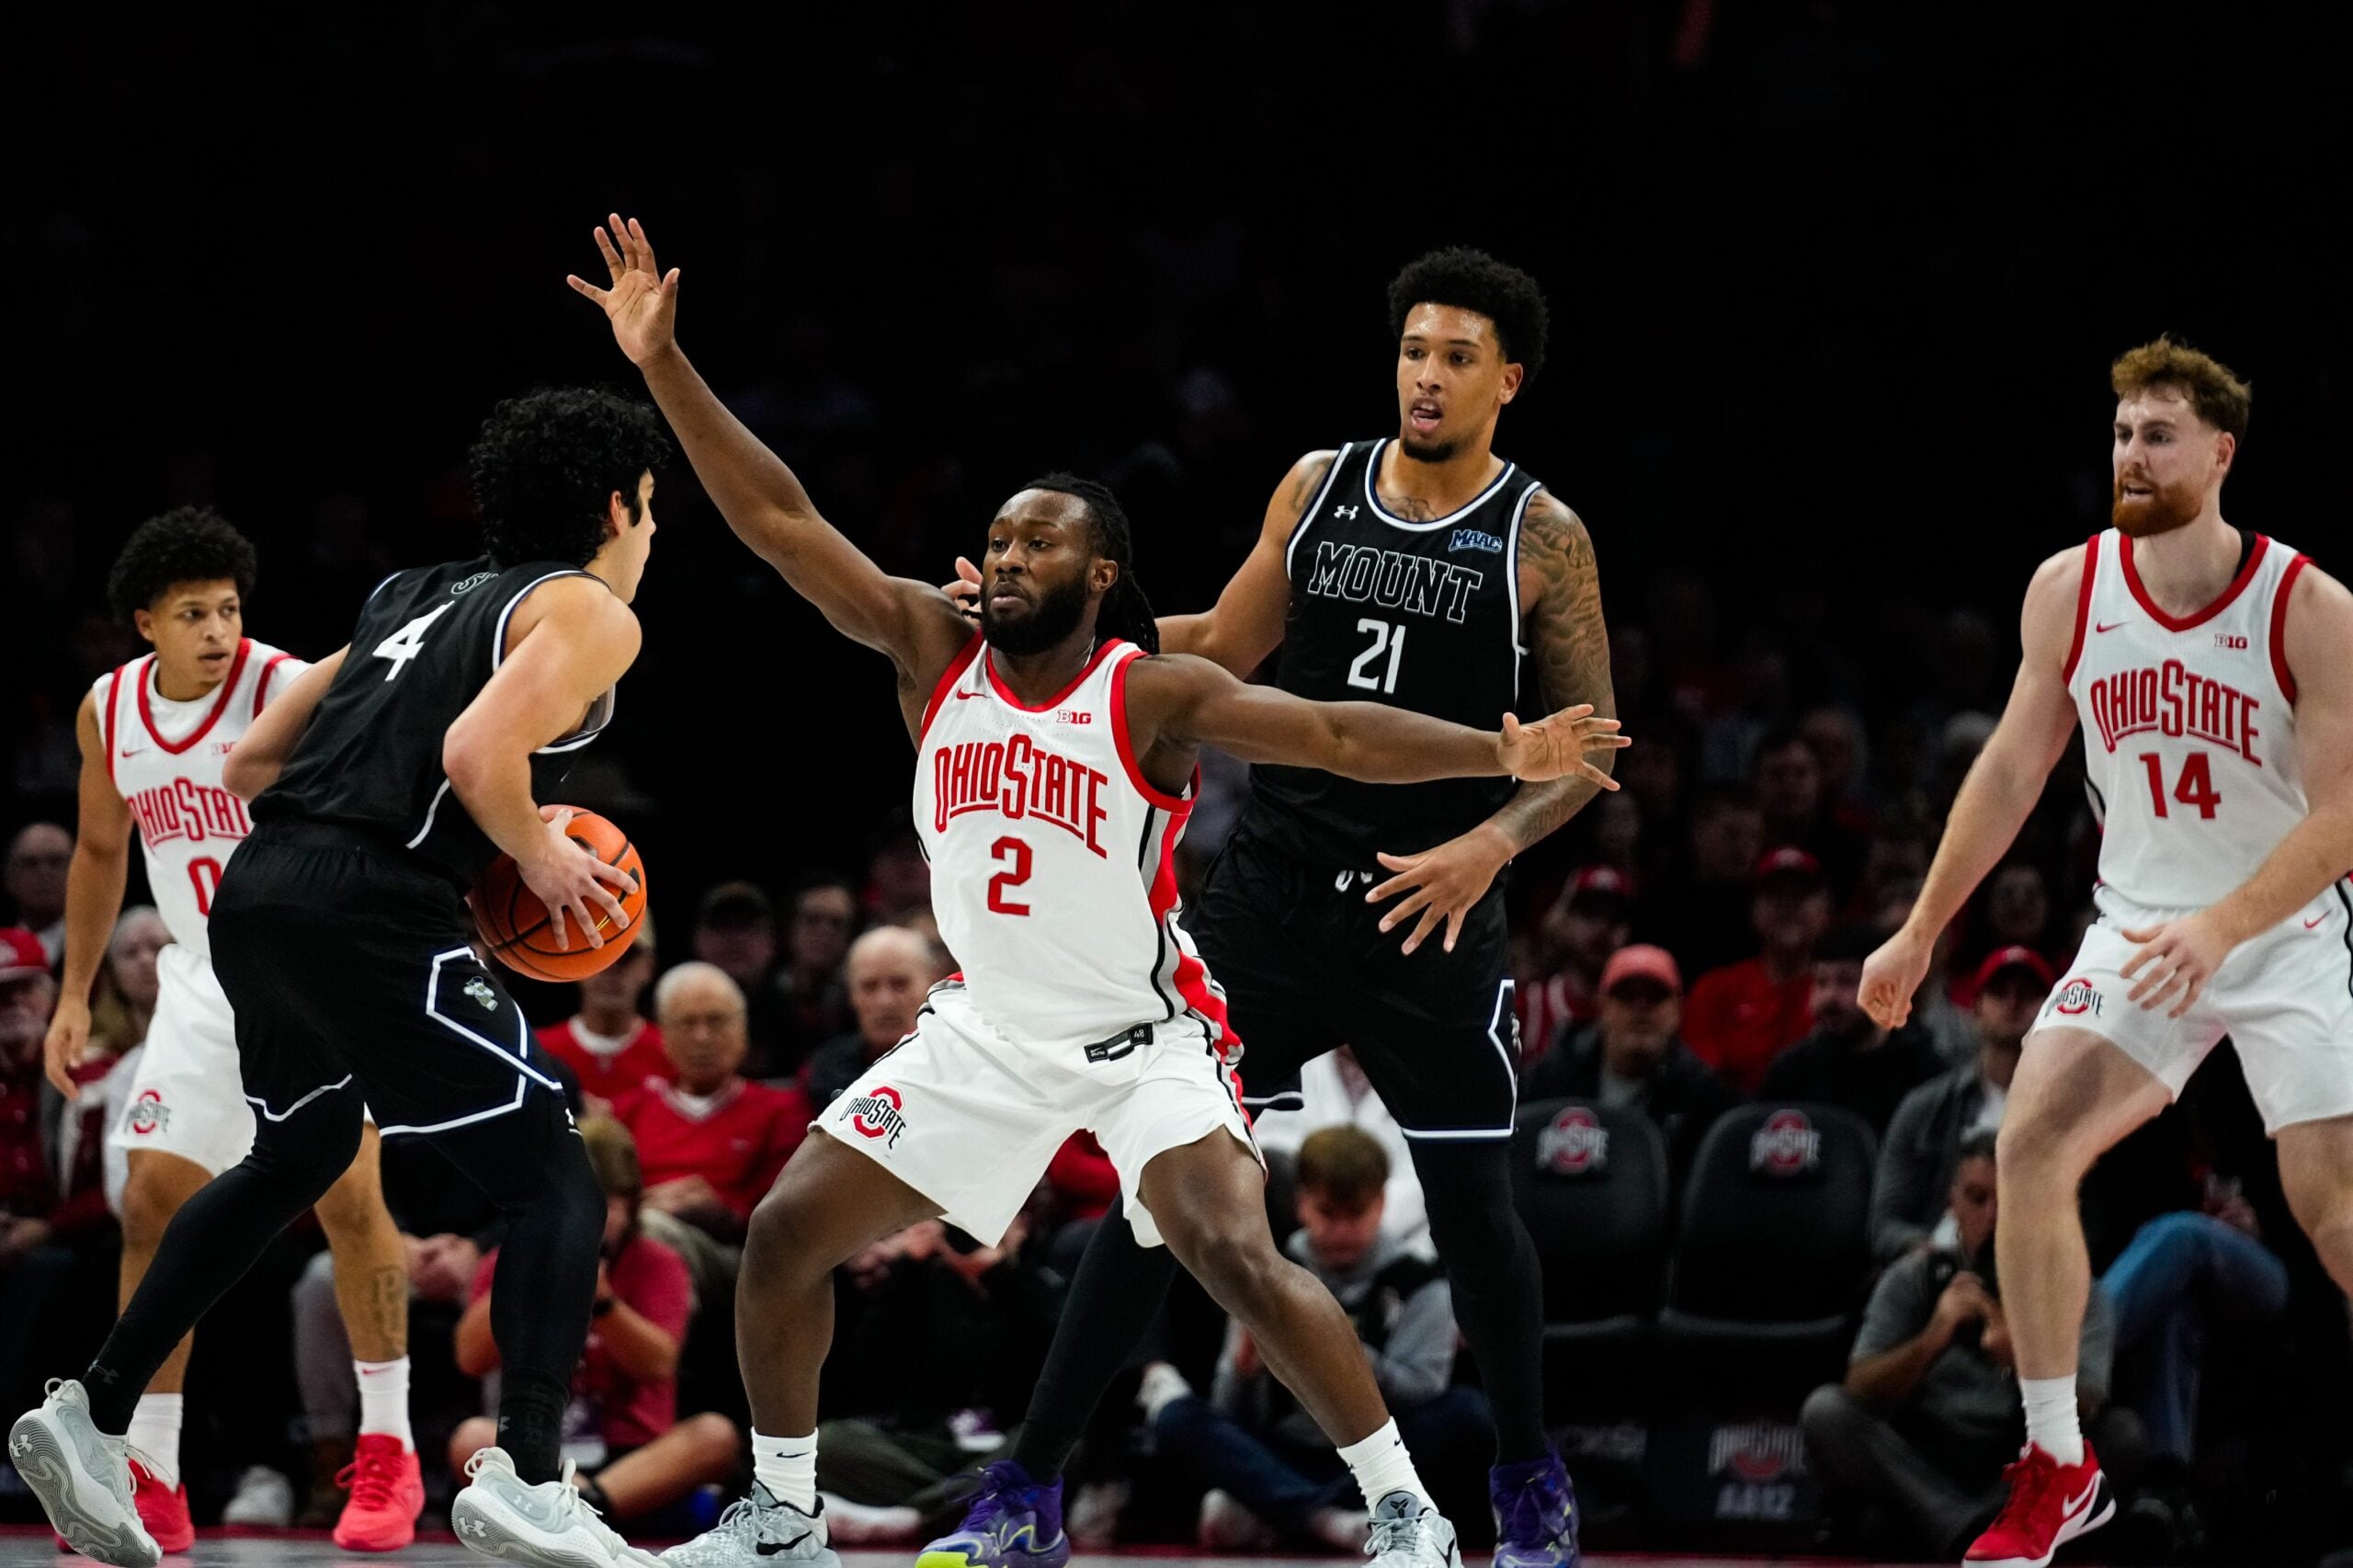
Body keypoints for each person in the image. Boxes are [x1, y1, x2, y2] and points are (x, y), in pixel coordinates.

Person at [573, 214, 1623, 1568]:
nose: (1004, 556)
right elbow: (781, 519)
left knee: (1251, 1249)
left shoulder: (1158, 690)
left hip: (1168, 1025)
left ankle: (1418, 1509)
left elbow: (1336, 726)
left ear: (1103, 577)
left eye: (1039, 545)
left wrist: (1499, 767)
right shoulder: (931, 644)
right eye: (998, 538)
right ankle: (798, 1514)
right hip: (998, 1028)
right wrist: (662, 364)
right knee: (783, 1233)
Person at [945, 244, 1620, 1568]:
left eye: (1458, 358)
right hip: (1272, 904)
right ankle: (1026, 1484)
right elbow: (1216, 646)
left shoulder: (1543, 535)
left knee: (1478, 1209)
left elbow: (1585, 745)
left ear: (1509, 381)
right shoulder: (1320, 487)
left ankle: (1531, 1477)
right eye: (1416, 350)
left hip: (1433, 911)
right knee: (1159, 1191)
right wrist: (1041, 618)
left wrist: (1488, 847)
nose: (1428, 375)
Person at [10, 386, 669, 1568]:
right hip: (372, 909)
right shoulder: (587, 607)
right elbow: (476, 753)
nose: (653, 531)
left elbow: (252, 759)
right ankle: (527, 1472)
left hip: (255, 897)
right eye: (653, 508)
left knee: (294, 1155)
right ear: (617, 505)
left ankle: (92, 1411)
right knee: (558, 1176)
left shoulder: (406, 592)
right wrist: (533, 857)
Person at [1860, 337, 2353, 1567]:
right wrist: (1922, 926)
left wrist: (2226, 925)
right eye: (2123, 433)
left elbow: (2345, 816)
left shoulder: (2309, 603)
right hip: (2138, 924)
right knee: (2028, 1143)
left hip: (2281, 929)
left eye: (2160, 435)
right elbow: (2014, 770)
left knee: (2333, 1210)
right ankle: (2057, 1465)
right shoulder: (2069, 590)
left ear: (2221, 453)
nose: (2131, 455)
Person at [34, 508, 420, 1555]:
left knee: (348, 1191)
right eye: (194, 612)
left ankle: (390, 1449)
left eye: (230, 608)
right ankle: (149, 1471)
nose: (217, 628)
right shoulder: (107, 708)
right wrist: (74, 994)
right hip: (204, 980)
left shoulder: (286, 686)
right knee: (155, 1196)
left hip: (314, 972)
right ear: (144, 622)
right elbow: (98, 854)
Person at [1154, 1128, 1490, 1551]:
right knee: (1175, 1417)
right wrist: (1241, 1373)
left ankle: (1283, 1513)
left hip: (1382, 1455)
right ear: (1301, 1203)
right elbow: (1229, 1412)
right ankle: (1331, 1521)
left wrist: (1335, 1352)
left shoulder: (1418, 1281)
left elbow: (1424, 1388)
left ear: (1381, 1204)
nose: (1342, 1230)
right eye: (1329, 1212)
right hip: (1284, 1450)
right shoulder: (1265, 1277)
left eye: (1356, 1214)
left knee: (1466, 1413)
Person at [1802, 1134, 2127, 1562]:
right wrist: (1932, 1339)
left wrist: (2024, 1360)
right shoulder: (1915, 1278)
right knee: (1825, 1411)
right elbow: (1859, 1388)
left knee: (2123, 1435)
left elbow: (2089, 1406)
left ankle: (1961, 1528)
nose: (1993, 1217)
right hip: (1927, 1459)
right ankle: (1967, 1528)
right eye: (1977, 1198)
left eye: (2009, 1200)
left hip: (2018, 1464)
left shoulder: (2075, 1289)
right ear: (1952, 1205)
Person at [451, 1116, 738, 1529]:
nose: (590, 1221)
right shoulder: (508, 1259)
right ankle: (571, 1504)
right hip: (535, 1444)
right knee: (472, 1440)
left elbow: (657, 1364)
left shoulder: (658, 1262)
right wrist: (528, 1274)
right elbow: (469, 1358)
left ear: (631, 1204)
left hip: (633, 1459)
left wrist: (603, 1304)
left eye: (608, 1205)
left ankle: (583, 1506)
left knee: (715, 1435)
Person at [613, 963, 809, 1256]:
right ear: (663, 1035)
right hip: (638, 1240)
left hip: (736, 1256)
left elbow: (786, 1215)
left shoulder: (782, 1110)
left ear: (743, 1031)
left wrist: (719, 1210)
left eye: (716, 1021)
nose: (701, 1037)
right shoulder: (628, 1112)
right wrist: (643, 1204)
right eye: (687, 1023)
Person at [1870, 947, 2050, 1260]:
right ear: (1975, 1010)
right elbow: (1885, 1222)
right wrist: (1929, 1257)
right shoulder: (1926, 1108)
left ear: (2052, 1011)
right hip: (1939, 1262)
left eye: (2028, 994)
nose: (2013, 1002)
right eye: (1999, 992)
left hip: (2037, 1266)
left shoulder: (2070, 1112)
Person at [1521, 944, 1738, 1191]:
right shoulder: (1550, 1078)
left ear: (1678, 1010)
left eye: (1656, 996)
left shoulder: (1703, 1095)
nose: (1641, 1007)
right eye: (1627, 995)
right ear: (1603, 1007)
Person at [1758, 924, 1943, 1137]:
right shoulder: (1791, 1071)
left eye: (1846, 982)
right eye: (1821, 982)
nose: (1829, 997)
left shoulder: (1925, 1076)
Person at [1683, 846, 1833, 1092]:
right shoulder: (1716, 990)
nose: (1788, 906)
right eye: (1776, 895)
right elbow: (1701, 1083)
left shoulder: (1843, 993)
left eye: (1801, 895)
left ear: (1826, 911)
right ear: (1754, 910)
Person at [800, 926, 950, 1112]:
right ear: (851, 994)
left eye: (900, 984)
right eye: (869, 986)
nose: (885, 1001)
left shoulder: (961, 1065)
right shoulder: (824, 1071)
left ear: (932, 983)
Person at [539, 916, 665, 1111]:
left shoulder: (671, 1055)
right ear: (573, 960)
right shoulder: (539, 1052)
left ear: (649, 967)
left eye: (626, 955)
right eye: (598, 953)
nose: (611, 968)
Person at [1516, 866, 1634, 1066]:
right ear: (1563, 921)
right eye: (1589, 914)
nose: (1602, 928)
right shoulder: (1529, 1007)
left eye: (1615, 918)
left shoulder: (1639, 1014)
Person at [5, 824, 71, 960]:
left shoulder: (107, 946)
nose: (44, 873)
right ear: (10, 878)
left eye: (56, 862)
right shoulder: (3, 949)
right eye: (30, 863)